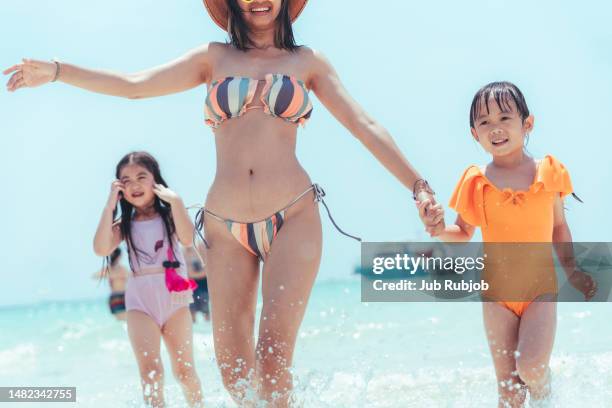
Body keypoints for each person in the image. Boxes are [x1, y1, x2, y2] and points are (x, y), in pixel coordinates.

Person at [4, 1, 437, 404]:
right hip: (223, 229)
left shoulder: (307, 63)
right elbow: (134, 86)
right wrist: (59, 71)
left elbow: (364, 124)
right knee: (234, 373)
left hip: (294, 217)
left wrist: (418, 186)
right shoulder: (213, 58)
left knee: (272, 358)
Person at [418, 82, 597, 407]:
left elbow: (558, 226)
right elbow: (463, 233)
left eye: (504, 118)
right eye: (484, 122)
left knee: (531, 368)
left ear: (527, 124)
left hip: (540, 291)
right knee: (509, 391)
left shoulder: (548, 171)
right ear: (474, 133)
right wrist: (439, 229)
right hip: (496, 296)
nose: (495, 128)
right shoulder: (476, 181)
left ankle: (545, 394)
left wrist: (572, 271)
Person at [93, 151, 203, 407]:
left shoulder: (170, 216)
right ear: (120, 188)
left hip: (175, 301)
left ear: (156, 180)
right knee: (151, 372)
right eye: (126, 180)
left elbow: (187, 239)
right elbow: (100, 248)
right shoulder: (124, 226)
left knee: (185, 372)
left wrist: (176, 201)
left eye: (141, 177)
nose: (134, 184)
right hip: (140, 304)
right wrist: (110, 205)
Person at [92, 247, 129, 321]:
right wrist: (113, 275)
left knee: (122, 322)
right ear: (119, 256)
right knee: (123, 322)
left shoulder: (121, 269)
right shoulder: (110, 269)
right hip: (117, 297)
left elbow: (132, 277)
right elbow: (94, 276)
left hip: (122, 296)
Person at [185, 245, 210, 323]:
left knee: (206, 310)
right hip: (192, 284)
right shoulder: (183, 252)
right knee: (192, 310)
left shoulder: (201, 248)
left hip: (202, 284)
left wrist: (193, 274)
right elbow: (188, 273)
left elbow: (207, 270)